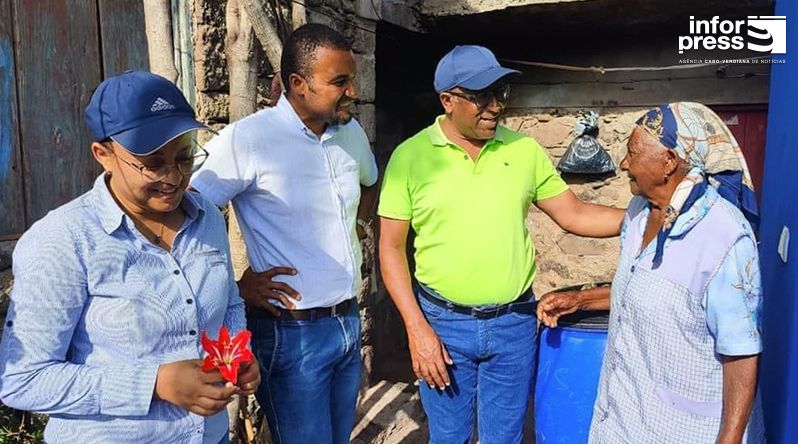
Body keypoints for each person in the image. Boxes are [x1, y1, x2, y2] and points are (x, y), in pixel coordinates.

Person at [377, 45, 625, 443]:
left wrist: (642, 219)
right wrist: (416, 328)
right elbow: (390, 250)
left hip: (514, 324)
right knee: (448, 437)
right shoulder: (411, 158)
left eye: (501, 94)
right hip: (442, 327)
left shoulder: (523, 151)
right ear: (448, 100)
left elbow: (574, 214)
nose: (495, 106)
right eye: (481, 96)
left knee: (504, 438)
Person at [0, 70, 259, 443]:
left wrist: (239, 355)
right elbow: (23, 380)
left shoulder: (205, 219)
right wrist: (155, 383)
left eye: (184, 157)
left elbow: (229, 305)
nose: (173, 177)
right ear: (104, 154)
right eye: (152, 163)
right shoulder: (63, 240)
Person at [190, 23, 378, 444]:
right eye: (339, 82)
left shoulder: (350, 134)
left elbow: (371, 182)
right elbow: (187, 206)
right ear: (298, 83)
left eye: (353, 79)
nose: (352, 92)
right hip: (292, 336)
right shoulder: (249, 139)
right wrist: (232, 288)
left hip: (346, 324)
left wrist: (361, 226)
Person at [537, 102, 764, 443]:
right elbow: (646, 291)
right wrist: (581, 301)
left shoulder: (723, 236)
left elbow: (741, 351)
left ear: (669, 162)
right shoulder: (639, 213)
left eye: (633, 152)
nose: (624, 163)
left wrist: (729, 440)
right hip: (624, 417)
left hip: (685, 428)